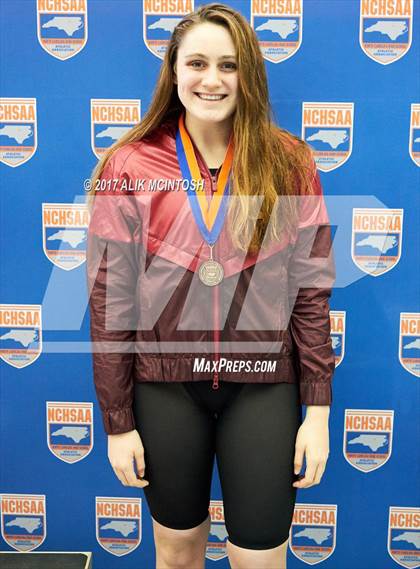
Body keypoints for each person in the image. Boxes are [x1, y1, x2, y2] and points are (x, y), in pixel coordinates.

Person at [86, 3, 335, 568]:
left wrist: (317, 412)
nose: (212, 79)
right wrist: (117, 423)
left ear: (248, 74)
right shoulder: (129, 164)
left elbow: (311, 293)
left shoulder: (289, 161)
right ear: (173, 71)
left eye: (229, 65)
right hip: (166, 388)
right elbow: (109, 303)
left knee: (260, 560)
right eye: (196, 62)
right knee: (177, 554)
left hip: (262, 385)